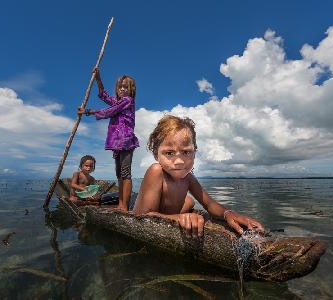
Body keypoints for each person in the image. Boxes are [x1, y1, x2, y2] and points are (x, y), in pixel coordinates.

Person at [133, 115, 264, 238]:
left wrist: (228, 213)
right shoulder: (156, 171)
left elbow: (209, 204)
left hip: (170, 212)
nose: (179, 161)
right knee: (189, 202)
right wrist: (177, 218)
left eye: (186, 152)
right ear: (156, 155)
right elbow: (144, 217)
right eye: (169, 153)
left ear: (194, 152)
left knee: (190, 201)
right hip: (146, 216)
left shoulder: (188, 178)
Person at [79, 67, 139, 211]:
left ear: (131, 90)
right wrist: (98, 78)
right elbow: (104, 96)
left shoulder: (127, 101)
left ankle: (124, 206)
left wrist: (88, 111)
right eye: (120, 87)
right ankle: (121, 204)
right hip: (118, 143)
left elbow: (109, 111)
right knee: (119, 174)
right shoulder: (119, 102)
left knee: (125, 173)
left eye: (126, 87)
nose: (122, 89)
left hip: (126, 141)